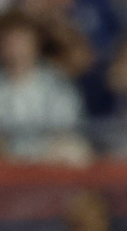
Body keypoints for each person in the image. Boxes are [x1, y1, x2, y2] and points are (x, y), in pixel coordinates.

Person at [0, 12, 89, 165]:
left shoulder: (56, 81)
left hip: (46, 154)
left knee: (73, 150)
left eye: (20, 39)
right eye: (8, 40)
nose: (14, 46)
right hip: (6, 155)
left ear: (35, 43)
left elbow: (66, 124)